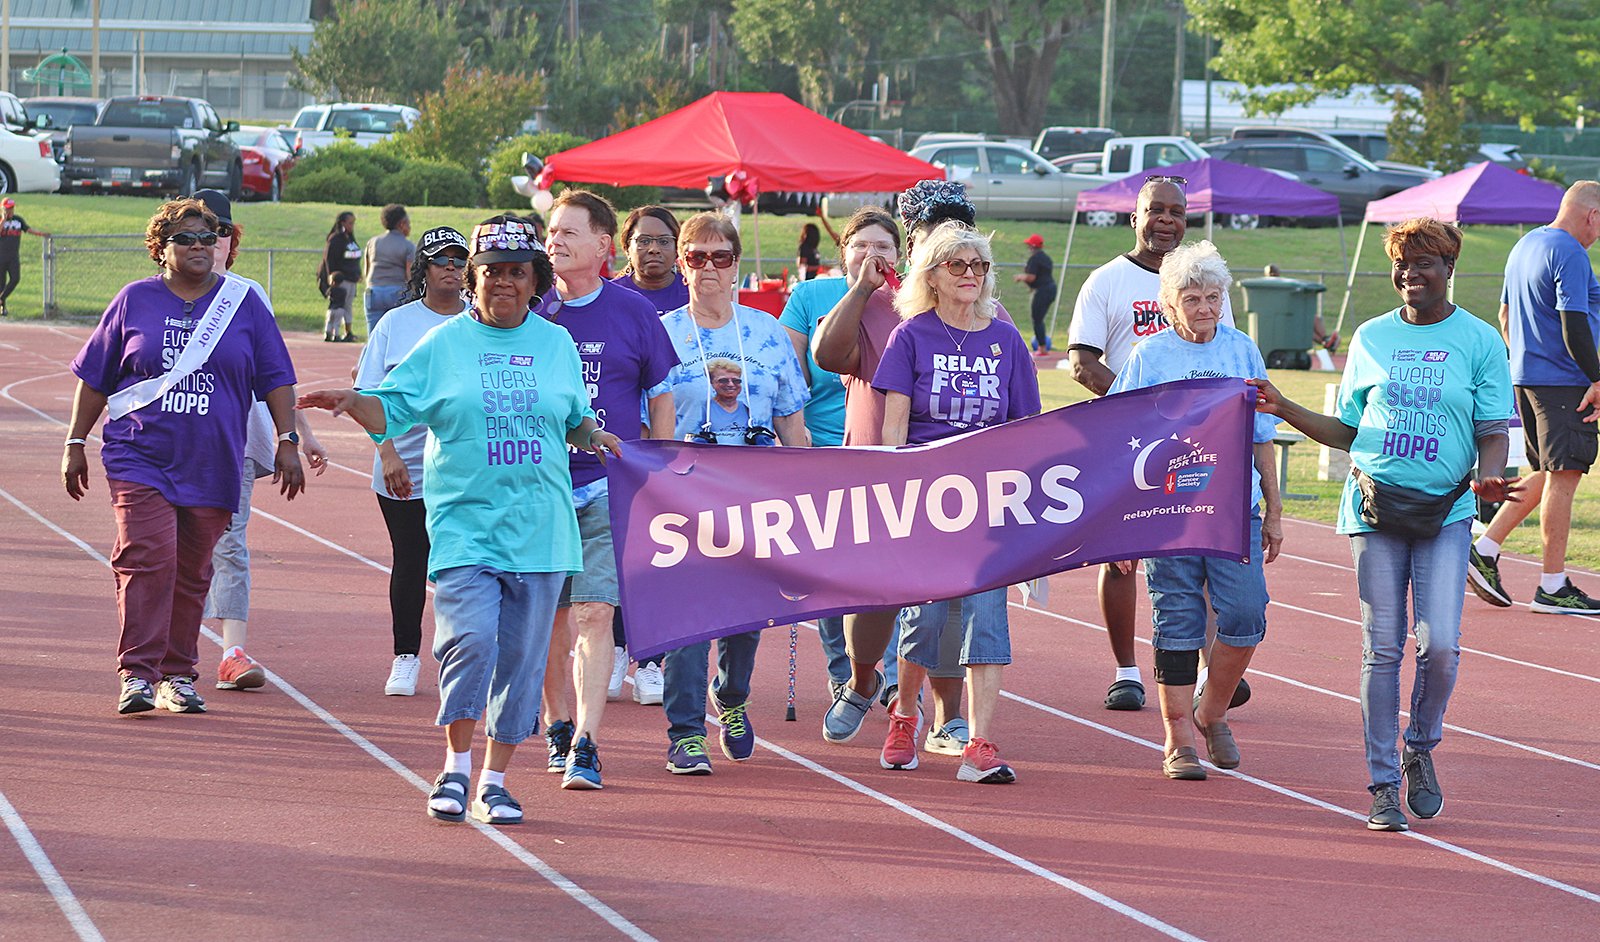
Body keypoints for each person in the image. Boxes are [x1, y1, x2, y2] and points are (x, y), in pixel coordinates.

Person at [298, 214, 622, 825]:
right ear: (473, 279)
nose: (504, 282)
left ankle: (495, 780)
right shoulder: (445, 344)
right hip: (465, 526)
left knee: (523, 666)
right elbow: (392, 406)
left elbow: (571, 417)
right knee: (469, 643)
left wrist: (592, 433)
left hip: (543, 531)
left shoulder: (555, 345)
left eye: (516, 273)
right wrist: (351, 402)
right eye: (492, 272)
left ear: (535, 280)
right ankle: (454, 767)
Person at [1251, 217, 1516, 831]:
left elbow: (1492, 431)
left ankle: (1419, 746)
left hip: (1446, 508)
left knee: (1441, 646)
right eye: (1402, 264)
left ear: (1449, 268)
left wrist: (1489, 477)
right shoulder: (1371, 338)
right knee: (1383, 646)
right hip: (1373, 506)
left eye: (1423, 263)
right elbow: (1348, 431)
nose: (1410, 275)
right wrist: (1285, 406)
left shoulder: (1478, 342)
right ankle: (1382, 784)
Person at [63, 197, 304, 715]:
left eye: (208, 235)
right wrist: (75, 442)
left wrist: (288, 440)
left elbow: (277, 377)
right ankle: (137, 673)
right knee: (147, 557)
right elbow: (95, 378)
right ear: (161, 248)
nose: (200, 245)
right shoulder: (134, 300)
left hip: (213, 459)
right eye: (186, 237)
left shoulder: (243, 304)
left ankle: (177, 674)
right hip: (139, 455)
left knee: (193, 571)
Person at [812, 183, 1016, 755]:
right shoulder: (878, 303)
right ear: (913, 240)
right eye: (934, 229)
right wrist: (859, 288)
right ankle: (861, 679)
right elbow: (827, 357)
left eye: (960, 229)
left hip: (961, 485)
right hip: (878, 467)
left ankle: (948, 715)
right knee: (874, 596)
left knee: (950, 601)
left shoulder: (986, 313)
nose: (950, 241)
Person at [1105, 241, 1282, 780]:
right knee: (1177, 618)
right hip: (1169, 511)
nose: (1204, 308)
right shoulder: (1148, 357)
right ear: (1168, 302)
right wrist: (1121, 529)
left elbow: (1261, 433)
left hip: (1234, 509)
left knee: (1247, 614)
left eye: (1213, 296)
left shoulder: (1242, 350)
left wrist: (1274, 508)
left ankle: (1213, 711)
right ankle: (1178, 734)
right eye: (1192, 298)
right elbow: (1118, 438)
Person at [872, 220, 1040, 783]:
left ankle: (982, 742)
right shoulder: (910, 336)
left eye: (980, 266)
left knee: (987, 618)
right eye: (958, 265)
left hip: (990, 500)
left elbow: (1027, 428)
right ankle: (904, 715)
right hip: (925, 498)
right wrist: (892, 498)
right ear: (934, 276)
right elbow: (894, 428)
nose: (970, 275)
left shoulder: (1006, 339)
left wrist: (1021, 501)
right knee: (922, 618)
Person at [1066, 175, 1238, 714]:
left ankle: (1209, 664)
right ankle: (1126, 670)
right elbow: (1081, 361)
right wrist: (1140, 410)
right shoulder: (1107, 281)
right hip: (1129, 440)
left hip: (1197, 445)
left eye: (1176, 212)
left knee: (1203, 546)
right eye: (1155, 210)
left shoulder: (1207, 281)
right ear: (1134, 218)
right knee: (1122, 557)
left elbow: (1225, 356)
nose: (1166, 220)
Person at [657, 211, 810, 775]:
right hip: (684, 494)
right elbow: (652, 424)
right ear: (682, 264)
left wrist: (801, 491)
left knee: (746, 617)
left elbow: (792, 420)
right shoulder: (665, 332)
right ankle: (686, 732)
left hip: (757, 493)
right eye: (696, 257)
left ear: (736, 265)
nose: (709, 269)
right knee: (690, 618)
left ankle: (734, 695)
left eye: (720, 258)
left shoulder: (766, 332)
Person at [537, 190, 678, 790]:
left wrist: (660, 470)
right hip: (538, 486)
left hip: (606, 488)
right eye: (552, 230)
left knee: (596, 611)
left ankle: (588, 742)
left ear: (603, 245)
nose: (556, 240)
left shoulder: (633, 312)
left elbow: (662, 394)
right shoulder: (530, 309)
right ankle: (557, 723)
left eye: (570, 231)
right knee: (549, 616)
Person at [187, 188, 327, 694]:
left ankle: (232, 652)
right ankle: (167, 648)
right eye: (200, 230)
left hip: (237, 443)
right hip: (175, 445)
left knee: (229, 542)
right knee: (174, 546)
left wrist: (298, 435)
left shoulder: (248, 296)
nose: (213, 240)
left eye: (221, 231)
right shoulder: (156, 295)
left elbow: (275, 377)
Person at [1468, 180, 1600, 614]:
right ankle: (1552, 585)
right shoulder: (1570, 252)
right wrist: (1596, 378)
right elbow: (1573, 324)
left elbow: (1505, 313)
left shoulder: (1525, 244)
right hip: (1563, 382)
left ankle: (1485, 548)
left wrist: (1524, 359)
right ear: (1591, 215)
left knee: (1544, 471)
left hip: (1528, 377)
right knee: (1565, 475)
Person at [353, 225, 471, 697]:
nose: (451, 268)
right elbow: (367, 396)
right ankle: (405, 656)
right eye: (441, 260)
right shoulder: (395, 324)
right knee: (412, 560)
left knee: (461, 566)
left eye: (459, 260)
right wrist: (387, 452)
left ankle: (458, 656)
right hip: (402, 469)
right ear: (422, 267)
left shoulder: (479, 322)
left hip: (464, 472)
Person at [778, 212, 873, 700]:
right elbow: (787, 375)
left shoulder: (912, 300)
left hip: (883, 456)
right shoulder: (810, 297)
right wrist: (796, 437)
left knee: (884, 572)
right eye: (861, 245)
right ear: (844, 251)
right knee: (829, 576)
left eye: (885, 245)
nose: (872, 254)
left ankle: (890, 673)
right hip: (822, 450)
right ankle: (843, 668)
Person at [604, 204, 687, 704]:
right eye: (643, 240)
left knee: (661, 555)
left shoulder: (691, 295)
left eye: (662, 240)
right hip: (619, 446)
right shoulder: (611, 297)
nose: (652, 249)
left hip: (671, 448)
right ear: (626, 245)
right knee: (618, 554)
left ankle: (652, 658)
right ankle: (615, 647)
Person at [613, 205, 690, 315]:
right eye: (644, 241)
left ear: (677, 249)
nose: (654, 249)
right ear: (627, 248)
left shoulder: (693, 293)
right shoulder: (610, 295)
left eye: (664, 241)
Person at [363, 203, 415, 334]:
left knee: (374, 336)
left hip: (374, 291)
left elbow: (367, 270)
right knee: (396, 336)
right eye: (408, 222)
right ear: (402, 224)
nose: (410, 226)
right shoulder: (408, 246)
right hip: (396, 291)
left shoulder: (373, 242)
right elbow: (409, 275)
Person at [0, 196, 49, 317]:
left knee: (15, 278)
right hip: (1, 257)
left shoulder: (18, 220)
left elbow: (28, 229)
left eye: (11, 209)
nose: (10, 211)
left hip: (13, 256)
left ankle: (1, 298)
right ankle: (3, 308)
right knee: (1, 283)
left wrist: (41, 233)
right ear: (2, 209)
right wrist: (3, 220)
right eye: (7, 209)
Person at [1013, 233, 1057, 355]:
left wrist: (1021, 277)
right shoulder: (1046, 258)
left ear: (1033, 246)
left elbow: (1032, 277)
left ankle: (1042, 348)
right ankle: (1042, 345)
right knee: (1039, 318)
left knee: (1037, 319)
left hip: (1042, 290)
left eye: (1029, 245)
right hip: (1051, 288)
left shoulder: (1034, 259)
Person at [321, 211, 361, 342]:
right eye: (350, 223)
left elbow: (355, 257)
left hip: (352, 279)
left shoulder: (350, 238)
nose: (352, 226)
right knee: (339, 308)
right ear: (342, 223)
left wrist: (358, 273)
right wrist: (331, 276)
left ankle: (348, 332)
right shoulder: (336, 239)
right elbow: (329, 260)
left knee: (348, 306)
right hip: (341, 279)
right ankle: (332, 332)